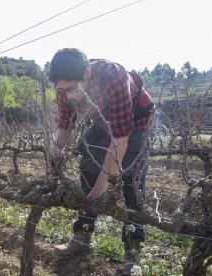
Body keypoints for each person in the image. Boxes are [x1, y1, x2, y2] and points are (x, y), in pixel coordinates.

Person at [48, 48, 154, 275]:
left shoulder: (112, 78)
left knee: (130, 182)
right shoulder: (64, 88)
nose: (67, 95)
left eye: (72, 89)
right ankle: (82, 237)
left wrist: (101, 189)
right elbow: (63, 125)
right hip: (100, 121)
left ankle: (132, 251)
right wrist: (56, 147)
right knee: (87, 169)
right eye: (61, 90)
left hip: (133, 123)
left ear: (87, 75)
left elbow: (120, 140)